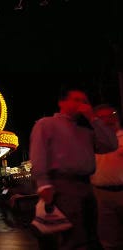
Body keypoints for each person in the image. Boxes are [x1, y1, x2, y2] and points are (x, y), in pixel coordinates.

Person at [30, 87, 117, 249]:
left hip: (86, 186)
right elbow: (38, 154)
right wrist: (43, 184)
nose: (82, 104)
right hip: (62, 186)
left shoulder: (86, 131)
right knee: (72, 236)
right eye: (76, 100)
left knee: (91, 234)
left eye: (84, 101)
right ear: (61, 102)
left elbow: (111, 145)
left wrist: (93, 118)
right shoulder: (46, 124)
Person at [92, 104, 123, 250]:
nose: (107, 120)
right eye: (101, 117)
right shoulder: (91, 142)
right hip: (101, 195)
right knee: (109, 239)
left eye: (111, 115)